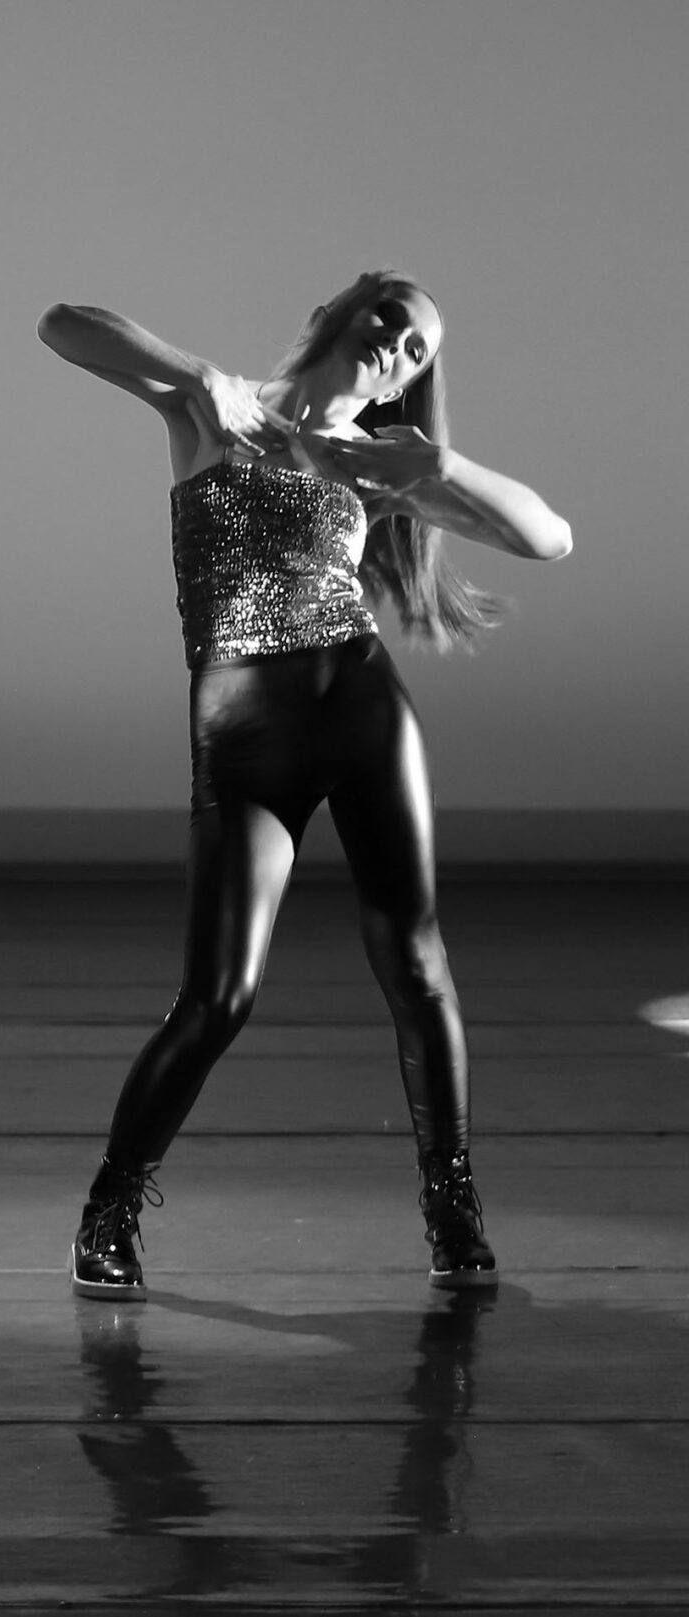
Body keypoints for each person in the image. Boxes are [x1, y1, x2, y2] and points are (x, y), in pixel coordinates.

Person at [37, 273, 571, 1300]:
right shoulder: (212, 408)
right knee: (218, 995)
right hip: (242, 733)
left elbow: (548, 536)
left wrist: (440, 463)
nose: (396, 346)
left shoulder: (381, 465)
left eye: (418, 348)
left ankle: (451, 1205)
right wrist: (199, 373)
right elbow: (61, 324)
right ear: (341, 307)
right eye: (388, 316)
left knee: (416, 967)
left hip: (362, 714)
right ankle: (109, 1206)